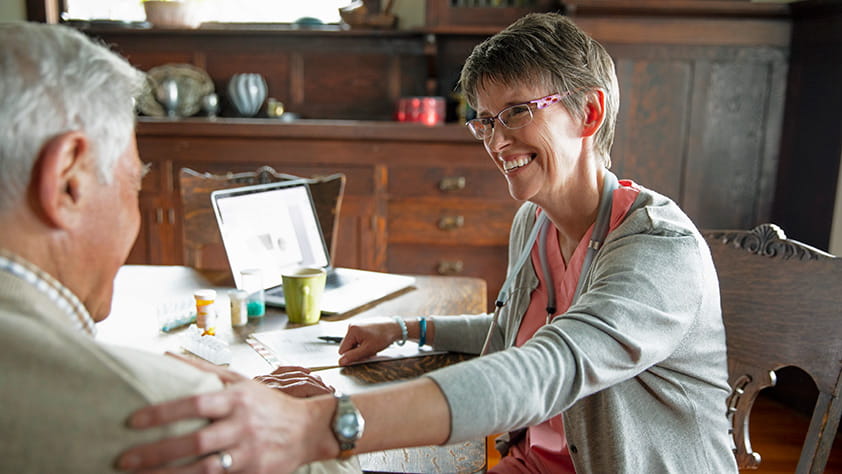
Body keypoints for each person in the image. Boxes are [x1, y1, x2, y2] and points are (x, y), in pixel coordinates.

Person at [117, 12, 739, 474]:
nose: (497, 142)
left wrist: (322, 423)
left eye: (518, 111)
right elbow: (511, 332)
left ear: (589, 114)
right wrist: (405, 328)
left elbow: (549, 366)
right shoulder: (536, 221)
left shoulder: (660, 249)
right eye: (485, 120)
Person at [0, 22, 357, 474]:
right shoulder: (163, 412)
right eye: (133, 184)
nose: (136, 216)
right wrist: (319, 428)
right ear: (68, 182)